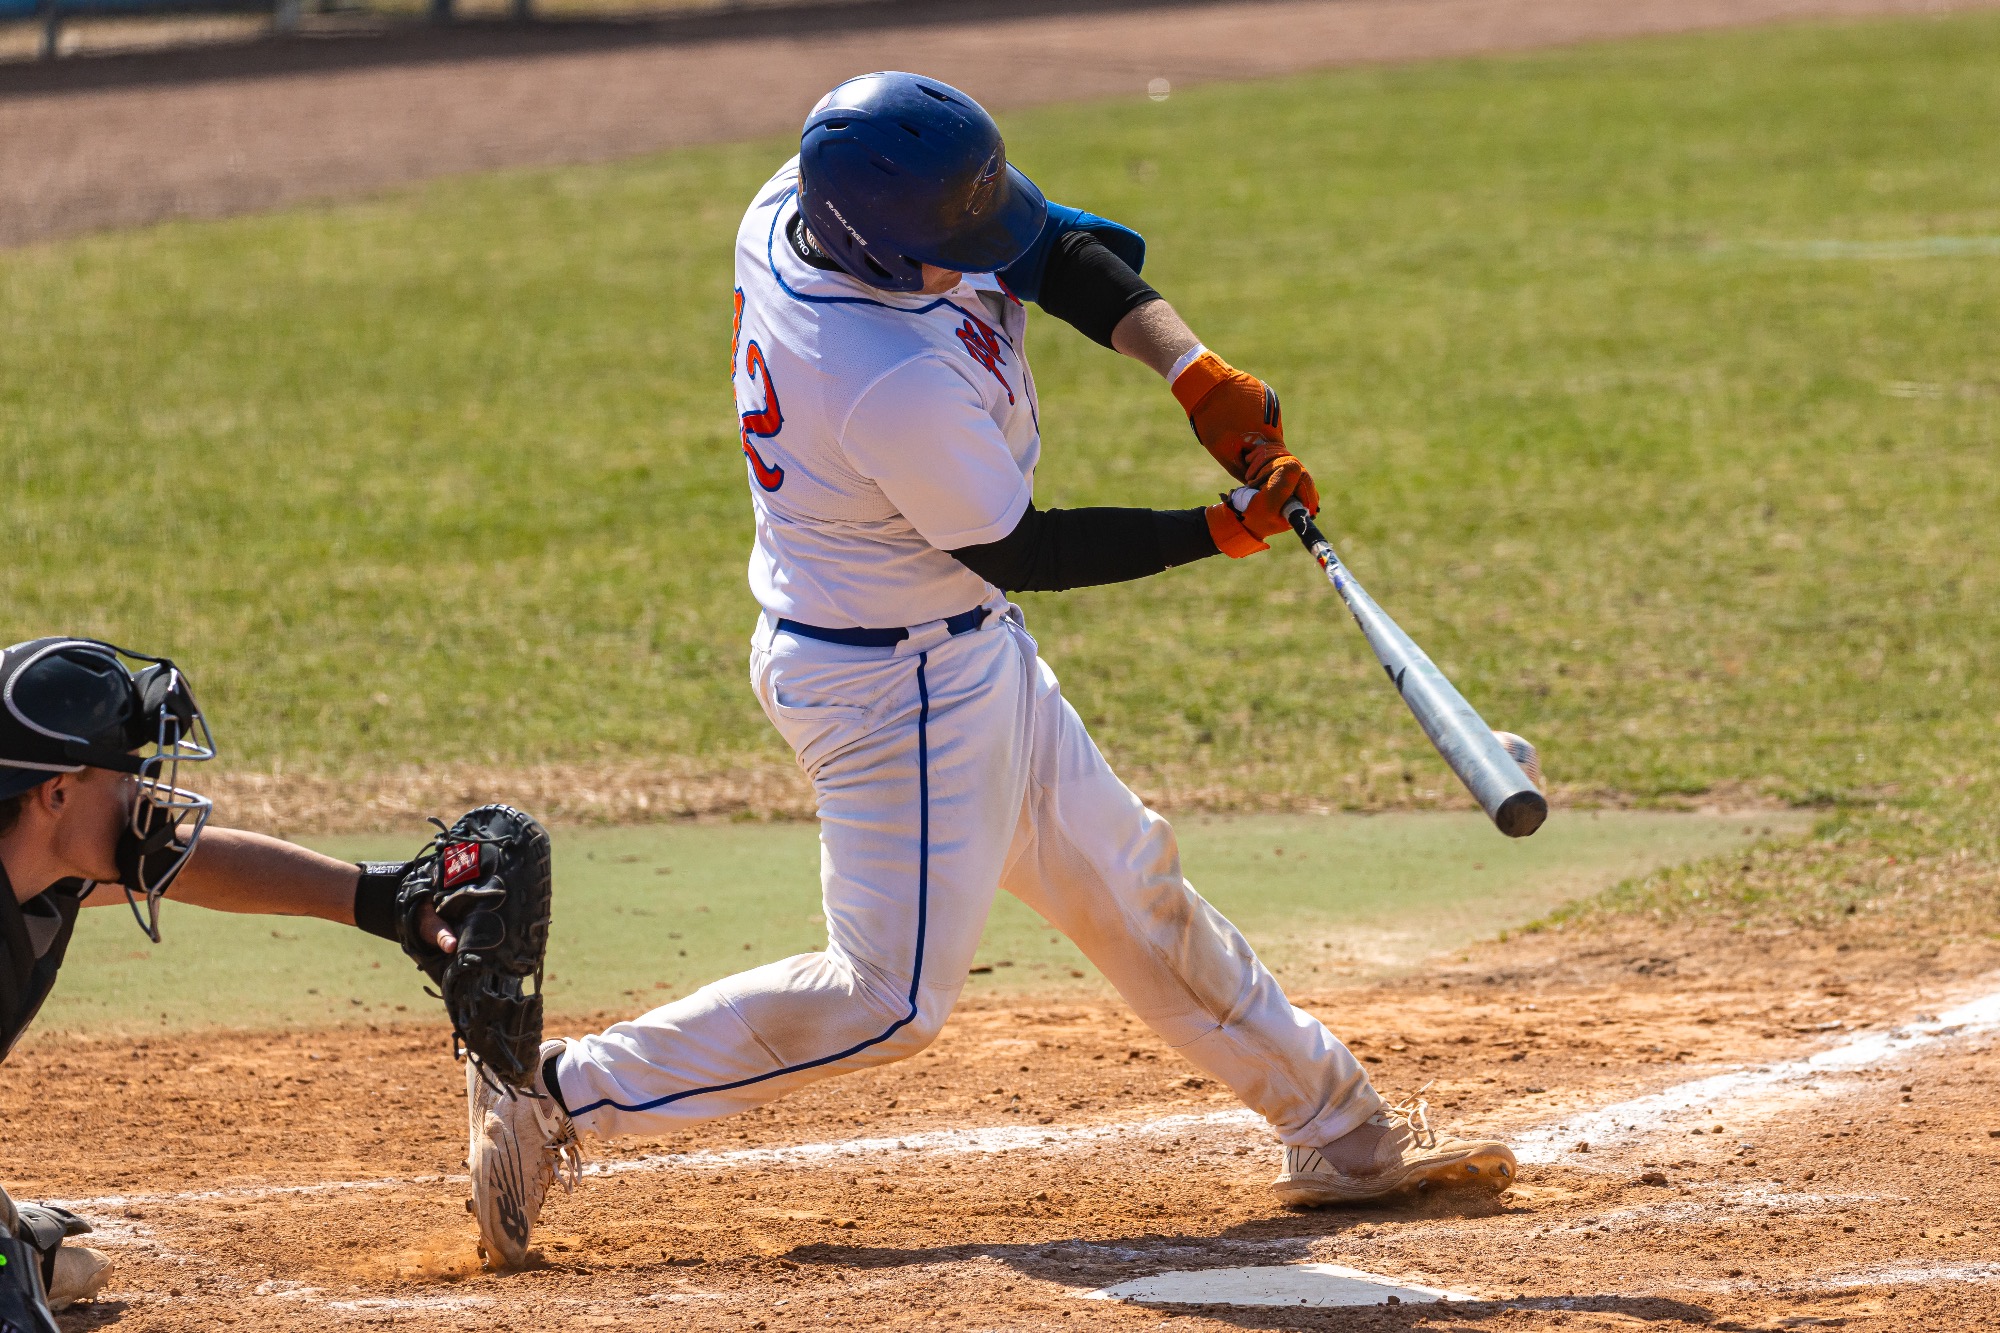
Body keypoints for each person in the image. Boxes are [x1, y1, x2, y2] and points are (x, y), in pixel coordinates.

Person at [463, 70, 1517, 1267]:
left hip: (947, 648)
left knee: (1128, 882)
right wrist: (1213, 528)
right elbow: (1023, 546)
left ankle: (1340, 1133)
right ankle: (552, 1093)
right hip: (890, 688)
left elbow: (1052, 250)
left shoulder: (807, 203)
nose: (980, 248)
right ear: (876, 241)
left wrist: (1190, 370)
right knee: (890, 999)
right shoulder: (881, 378)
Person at [0, 637, 457, 1327]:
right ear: (56, 790)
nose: (144, 797)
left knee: (31, 1267)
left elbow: (197, 862)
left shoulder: (38, 869)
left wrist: (384, 902)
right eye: (126, 776)